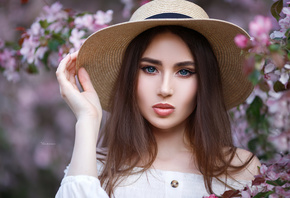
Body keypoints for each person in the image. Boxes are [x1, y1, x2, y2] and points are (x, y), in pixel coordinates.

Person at [55, 0, 261, 197]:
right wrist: (87, 119)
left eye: (184, 72)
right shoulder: (92, 169)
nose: (164, 89)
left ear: (205, 81)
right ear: (130, 76)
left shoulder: (242, 170)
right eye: (150, 69)